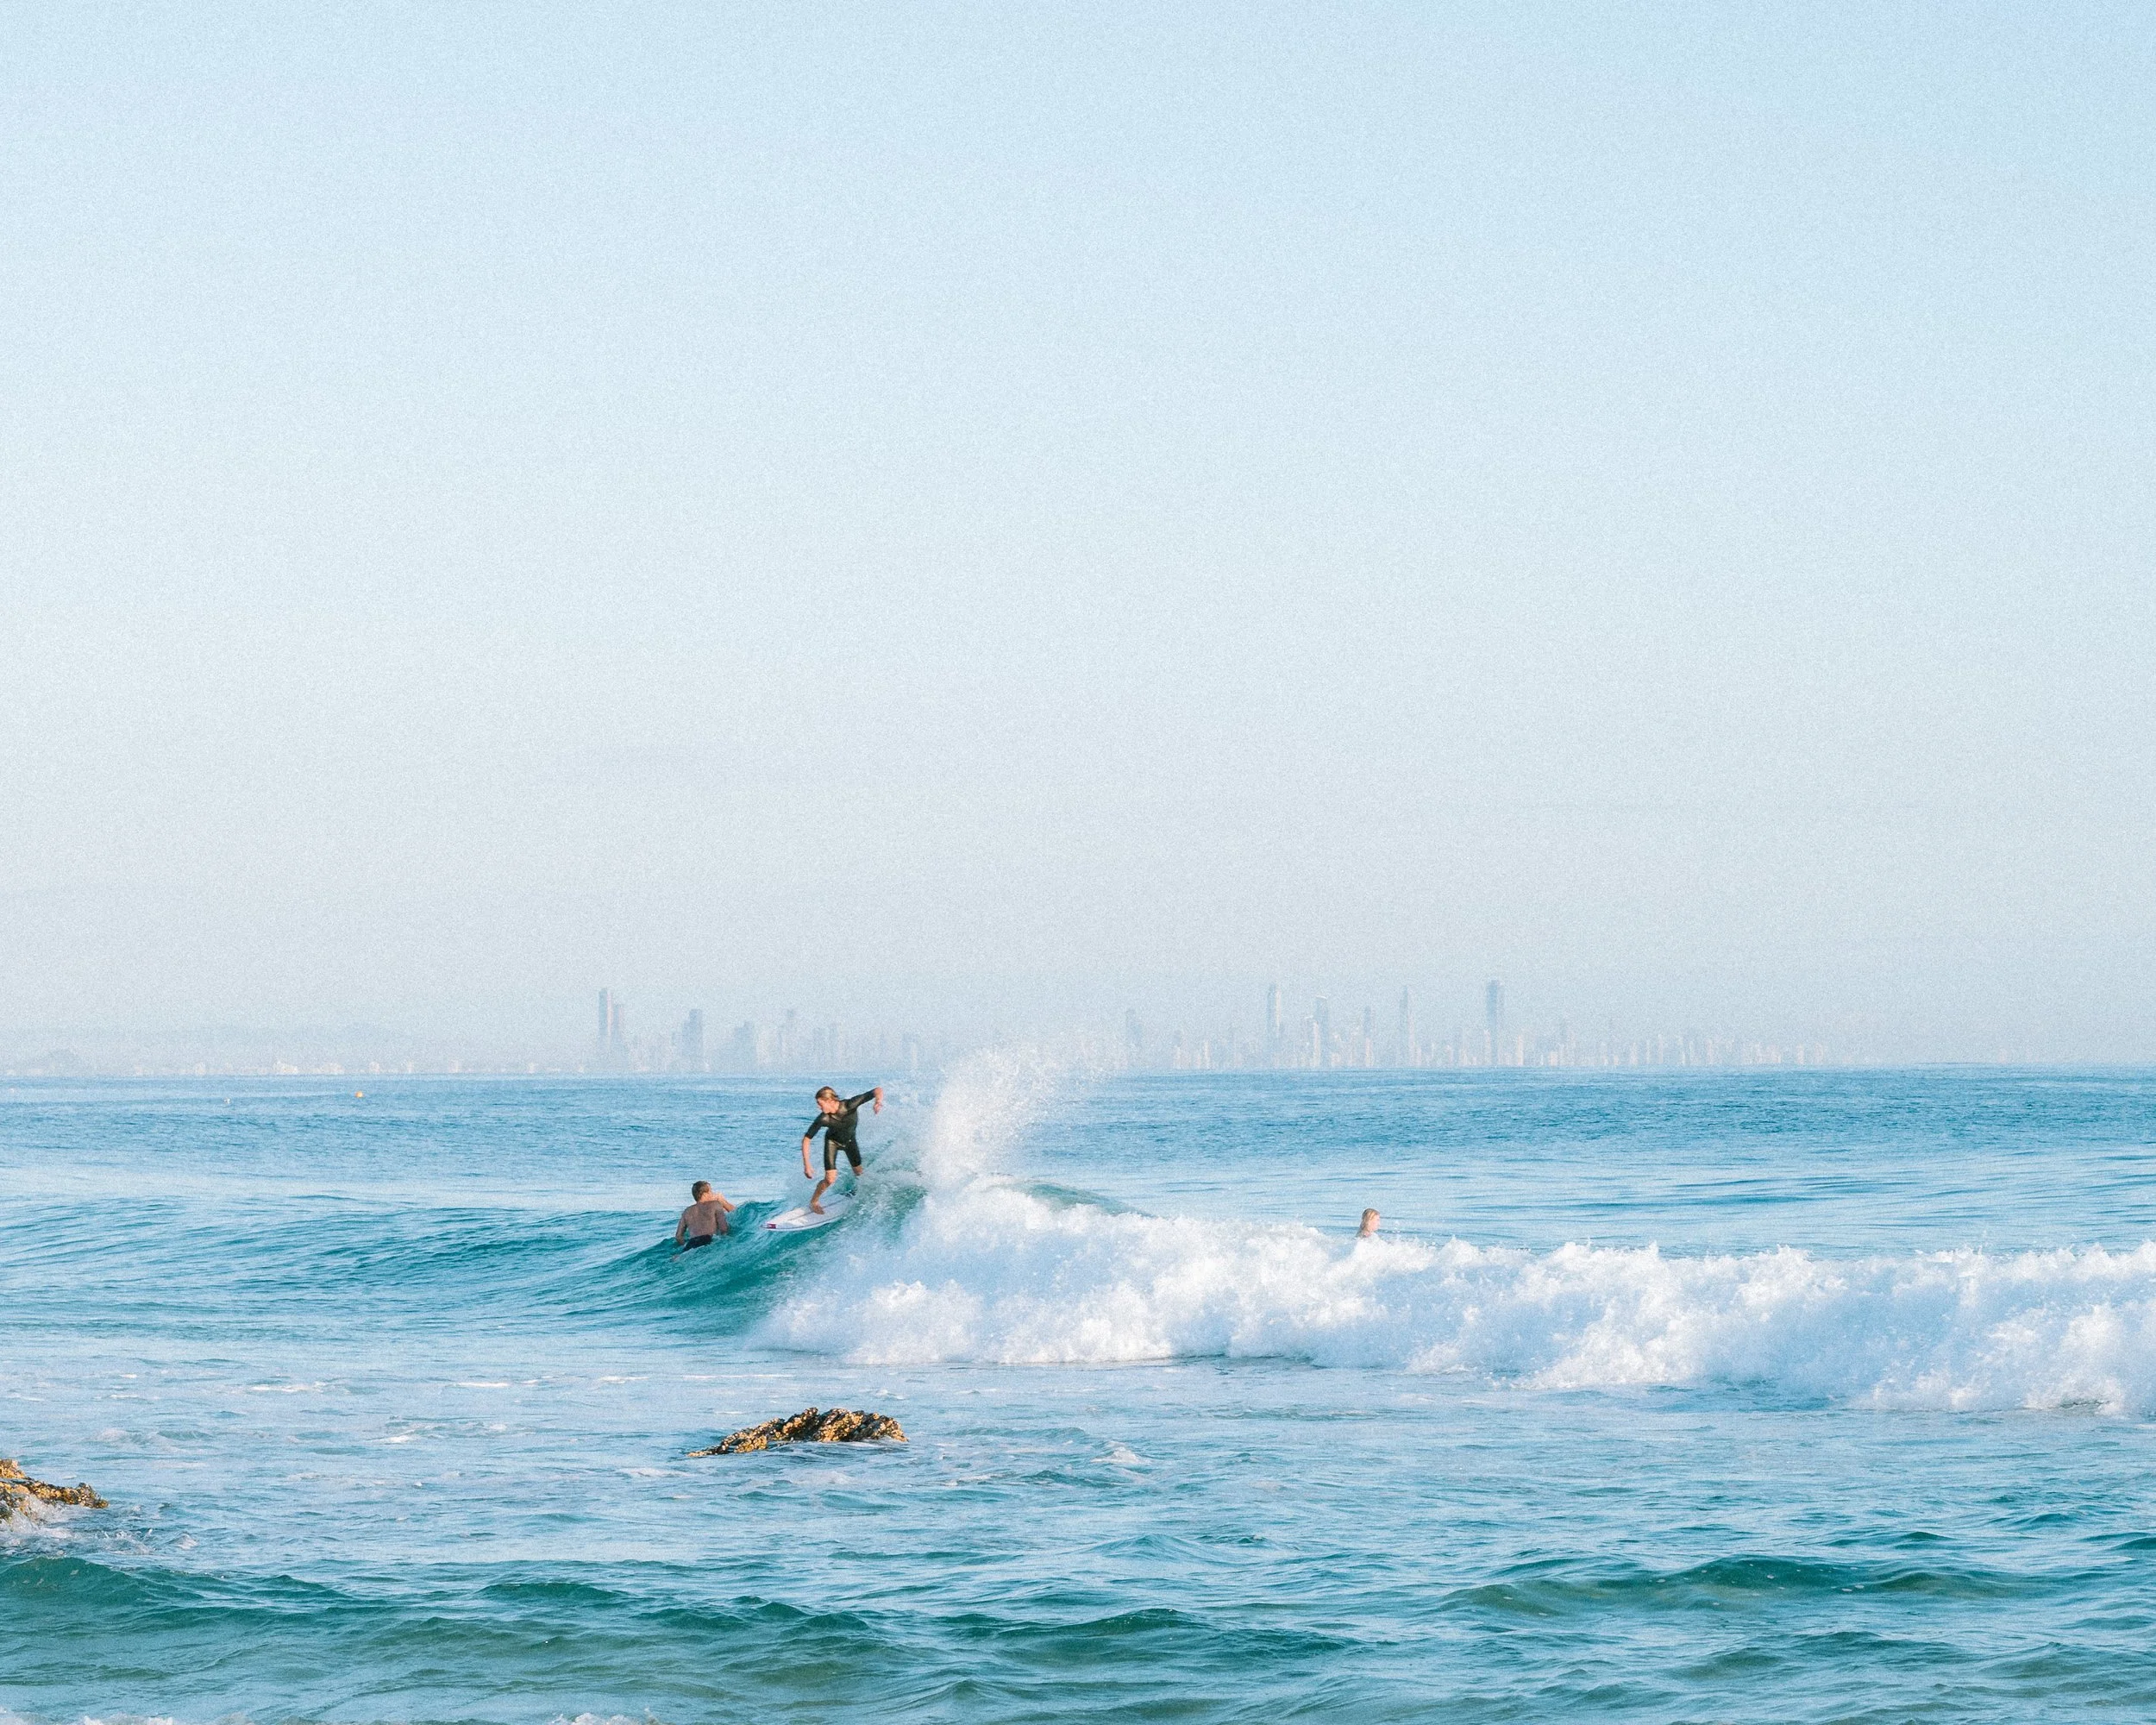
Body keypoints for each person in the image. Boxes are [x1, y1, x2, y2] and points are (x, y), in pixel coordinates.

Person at [801, 1085, 883, 1214]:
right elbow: (807, 1139)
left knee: (860, 1173)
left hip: (849, 1141)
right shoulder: (823, 1118)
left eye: (820, 1103)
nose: (818, 1107)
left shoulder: (850, 1105)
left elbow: (877, 1090)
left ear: (830, 1101)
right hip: (832, 1142)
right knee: (830, 1179)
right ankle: (814, 1201)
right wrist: (807, 1164)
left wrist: (878, 1102)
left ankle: (858, 1192)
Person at [675, 1181, 736, 1251]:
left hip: (691, 1243)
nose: (712, 1194)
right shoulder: (715, 1204)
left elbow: (678, 1236)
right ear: (704, 1194)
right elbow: (723, 1228)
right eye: (710, 1191)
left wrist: (684, 1245)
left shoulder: (687, 1211)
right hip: (707, 1240)